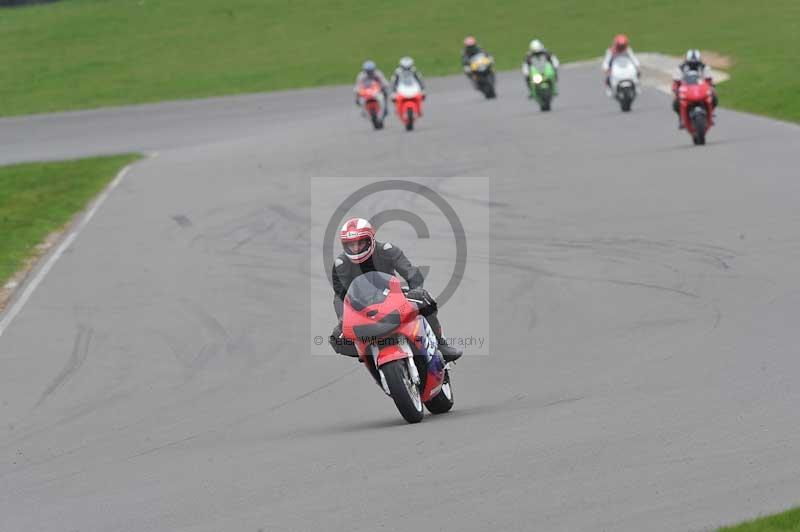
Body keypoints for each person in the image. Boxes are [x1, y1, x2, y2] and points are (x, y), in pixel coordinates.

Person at [328, 217, 463, 363]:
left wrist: (416, 289)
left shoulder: (387, 250)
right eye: (351, 245)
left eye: (360, 243)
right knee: (337, 338)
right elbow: (339, 296)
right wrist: (342, 317)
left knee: (425, 299)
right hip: (362, 307)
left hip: (393, 296)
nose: (355, 248)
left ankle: (441, 345)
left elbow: (411, 273)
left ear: (370, 239)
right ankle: (367, 353)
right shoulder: (340, 264)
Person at [671, 49, 718, 129]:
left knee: (714, 96)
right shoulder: (680, 68)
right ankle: (681, 118)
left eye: (695, 63)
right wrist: (676, 89)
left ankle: (710, 114)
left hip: (700, 88)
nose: (693, 65)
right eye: (691, 63)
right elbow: (676, 82)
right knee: (676, 101)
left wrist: (711, 87)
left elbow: (709, 80)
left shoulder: (704, 67)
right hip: (687, 89)